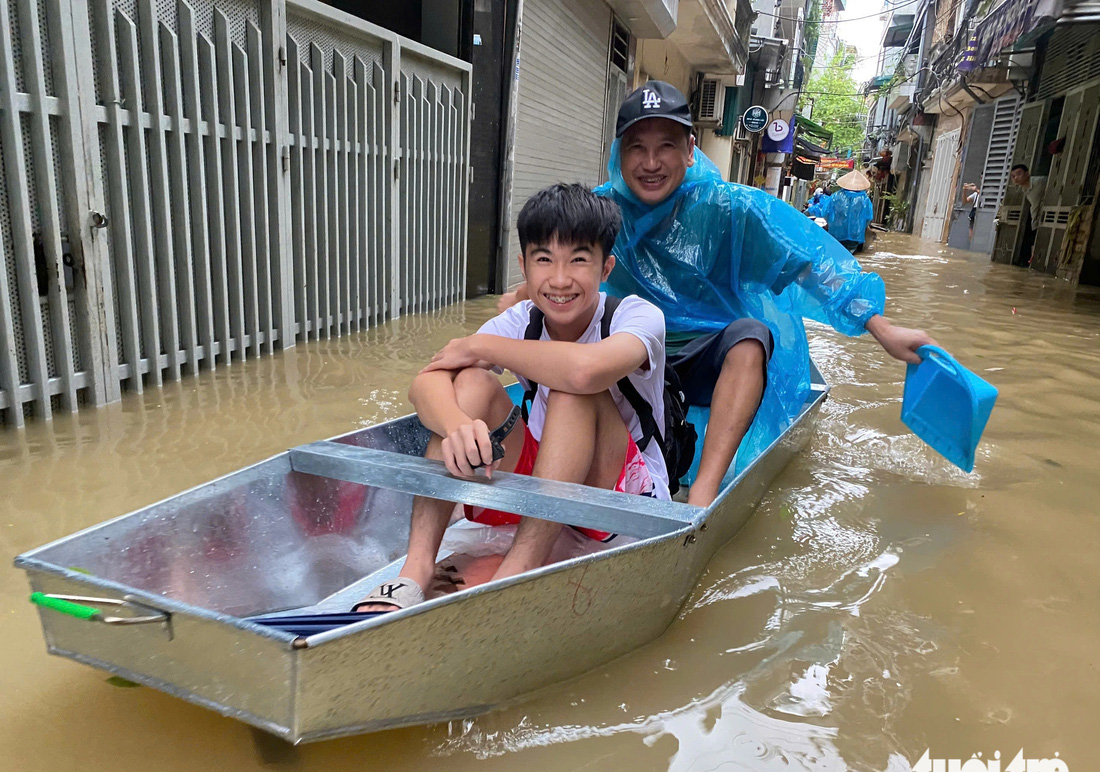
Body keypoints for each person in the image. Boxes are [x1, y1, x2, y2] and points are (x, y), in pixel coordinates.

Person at [499, 81, 936, 507]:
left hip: (706, 355)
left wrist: (881, 328)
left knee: (751, 336)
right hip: (626, 353)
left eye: (666, 146)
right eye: (637, 147)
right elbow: (559, 270)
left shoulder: (731, 209)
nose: (651, 162)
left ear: (690, 150)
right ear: (620, 154)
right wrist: (519, 298)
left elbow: (811, 266)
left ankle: (701, 497)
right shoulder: (601, 211)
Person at [352, 183, 670, 614]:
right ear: (524, 265)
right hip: (545, 479)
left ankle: (516, 571)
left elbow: (584, 371)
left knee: (572, 392)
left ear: (606, 267)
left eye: (578, 259)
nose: (560, 280)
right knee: (471, 386)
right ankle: (415, 569)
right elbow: (423, 386)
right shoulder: (520, 320)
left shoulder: (636, 316)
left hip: (617, 496)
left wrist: (483, 346)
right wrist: (456, 425)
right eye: (544, 260)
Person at [812, 170, 876, 253]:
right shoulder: (864, 199)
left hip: (836, 234)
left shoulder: (835, 196)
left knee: (836, 254)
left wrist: (830, 224)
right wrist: (863, 227)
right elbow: (868, 217)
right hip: (855, 235)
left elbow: (825, 213)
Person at [1009, 164, 1047, 265]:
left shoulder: (1039, 181)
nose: (1016, 178)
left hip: (1046, 217)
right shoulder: (1024, 189)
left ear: (1027, 174)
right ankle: (1033, 261)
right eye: (1013, 176)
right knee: (1033, 241)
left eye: (1019, 174)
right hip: (1037, 219)